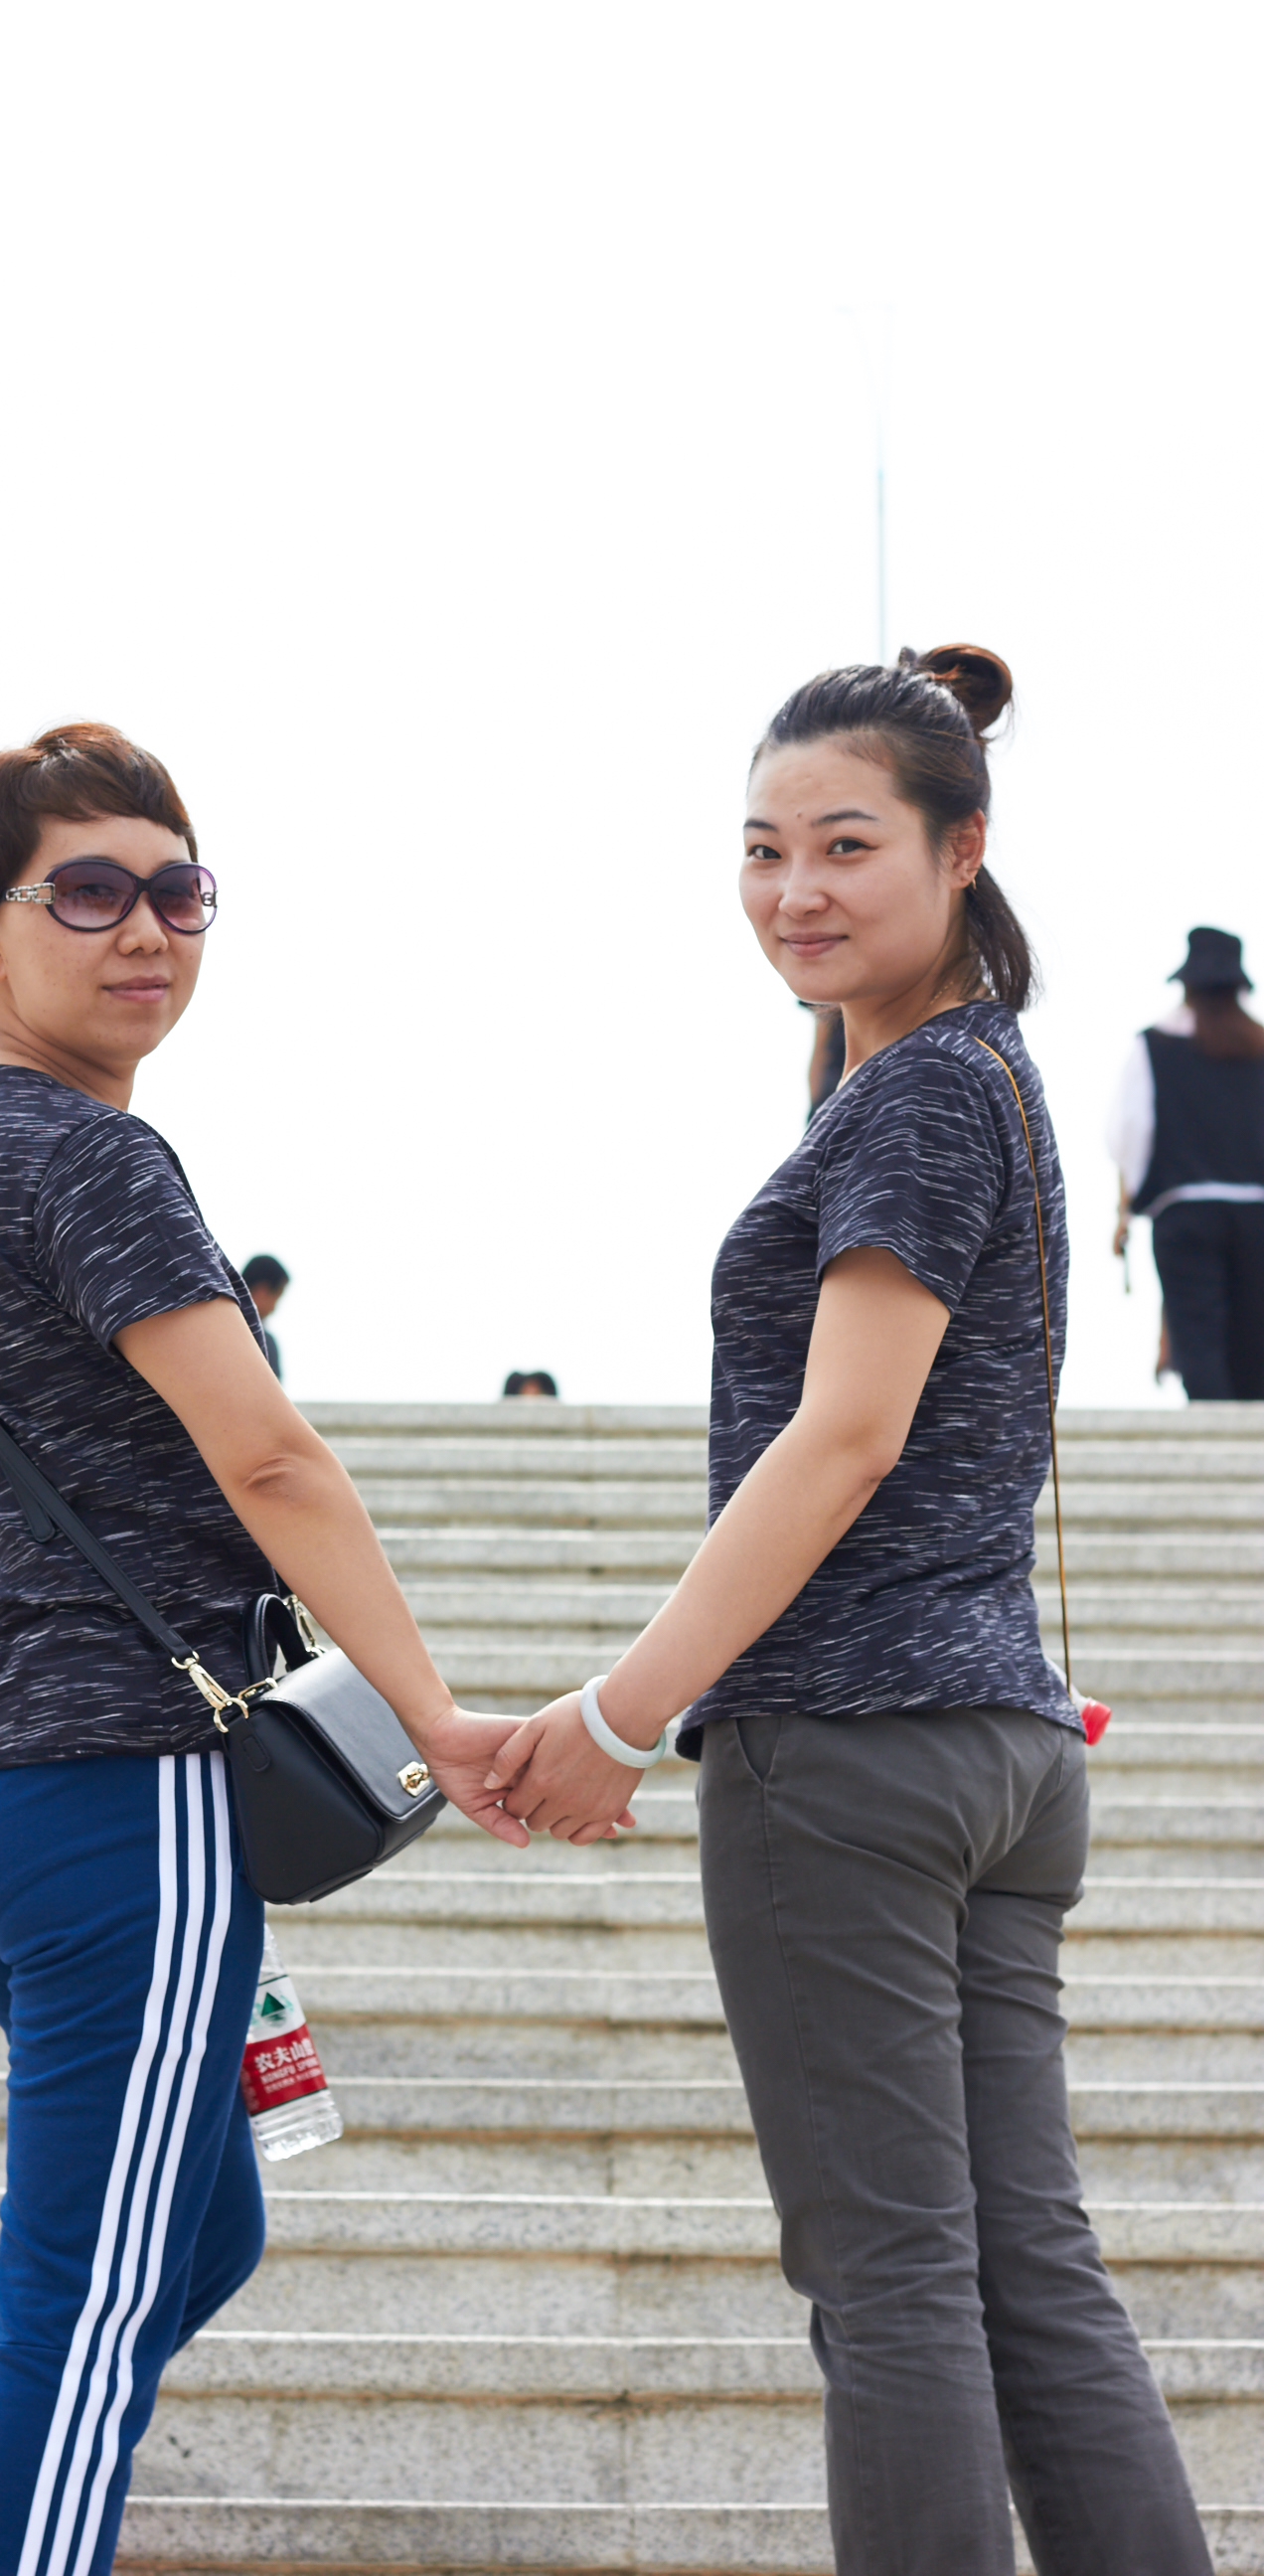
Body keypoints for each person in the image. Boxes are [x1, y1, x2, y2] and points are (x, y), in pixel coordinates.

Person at [486, 647, 1210, 2576]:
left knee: (892, 2282)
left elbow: (844, 1438)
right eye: (761, 850)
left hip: (853, 1756)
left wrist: (621, 1715)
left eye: (845, 846)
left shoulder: (920, 1096)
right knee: (1028, 2274)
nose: (792, 890)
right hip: (995, 1749)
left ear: (964, 849)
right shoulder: (966, 1076)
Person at [0, 722, 534, 2576]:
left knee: (198, 2228)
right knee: (91, 2309)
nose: (145, 929)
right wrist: (432, 1716)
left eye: (179, 892)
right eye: (87, 891)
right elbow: (271, 1458)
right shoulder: (90, 1152)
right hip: (116, 1788)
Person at [1107, 927, 1264, 1400]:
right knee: (1254, 1342)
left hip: (1186, 1213)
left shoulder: (1154, 1045)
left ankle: (1213, 1434)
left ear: (1187, 986)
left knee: (1197, 1338)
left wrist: (1126, 1210)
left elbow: (1129, 1134)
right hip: (1259, 1215)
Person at [238, 1252, 289, 1376]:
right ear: (262, 1291)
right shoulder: (264, 1343)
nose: (273, 1309)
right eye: (276, 1297)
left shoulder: (211, 1324)